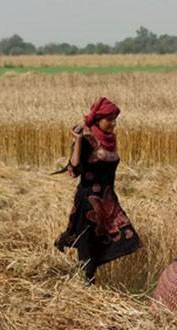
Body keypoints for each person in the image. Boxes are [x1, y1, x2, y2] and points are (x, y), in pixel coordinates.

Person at [54, 97, 141, 284]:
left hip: (108, 200)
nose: (113, 123)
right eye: (109, 119)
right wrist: (77, 141)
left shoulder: (110, 140)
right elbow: (74, 169)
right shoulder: (86, 140)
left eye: (114, 119)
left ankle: (86, 275)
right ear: (98, 119)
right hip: (88, 202)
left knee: (129, 239)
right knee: (87, 245)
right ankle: (86, 285)